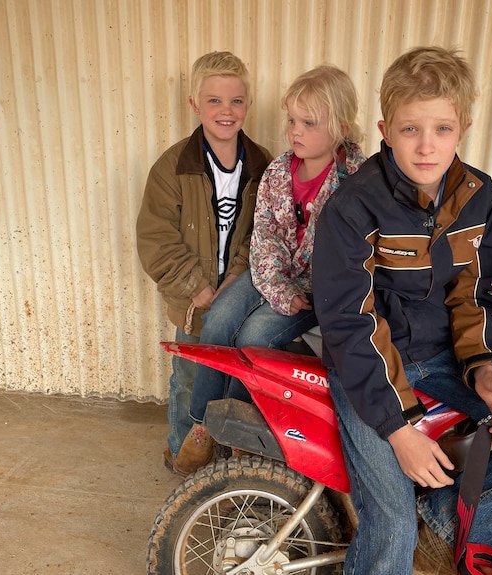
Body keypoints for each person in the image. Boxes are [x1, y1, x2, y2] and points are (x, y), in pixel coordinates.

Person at [312, 46, 492, 573]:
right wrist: (400, 431)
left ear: (463, 128)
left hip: (450, 355)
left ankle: (452, 522)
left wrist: (485, 367)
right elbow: (348, 325)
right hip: (373, 368)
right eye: (410, 130)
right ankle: (420, 529)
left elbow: (476, 292)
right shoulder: (352, 207)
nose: (427, 146)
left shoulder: (477, 195)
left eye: (442, 129)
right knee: (392, 527)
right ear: (385, 128)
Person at [174, 65, 367, 475]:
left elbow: (353, 256)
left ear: (340, 128)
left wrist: (298, 294)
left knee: (256, 336)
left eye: (309, 123)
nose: (295, 131)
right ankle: (204, 425)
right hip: (273, 273)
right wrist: (278, 288)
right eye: (292, 120)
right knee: (220, 318)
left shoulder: (357, 180)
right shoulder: (279, 172)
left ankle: (242, 432)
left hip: (322, 290)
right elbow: (265, 239)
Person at [136, 51, 273, 471]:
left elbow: (265, 233)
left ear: (248, 105)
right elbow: (156, 239)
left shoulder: (265, 166)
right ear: (195, 105)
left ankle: (227, 466)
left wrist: (235, 279)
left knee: (237, 385)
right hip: (193, 303)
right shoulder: (171, 168)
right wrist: (198, 287)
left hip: (240, 301)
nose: (225, 111)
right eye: (214, 101)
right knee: (190, 381)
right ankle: (183, 458)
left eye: (235, 101)